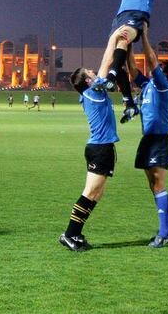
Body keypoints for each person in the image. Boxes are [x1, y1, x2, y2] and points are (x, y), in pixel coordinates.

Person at [95, 0, 159, 124]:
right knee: (117, 56)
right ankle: (128, 102)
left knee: (121, 39)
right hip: (120, 16)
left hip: (137, 17)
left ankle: (109, 78)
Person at [59, 61, 120, 251]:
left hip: (104, 148)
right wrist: (115, 39)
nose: (94, 72)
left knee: (97, 194)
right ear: (88, 80)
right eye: (90, 72)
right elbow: (106, 62)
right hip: (99, 149)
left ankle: (75, 233)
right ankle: (69, 234)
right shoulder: (92, 92)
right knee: (90, 192)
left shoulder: (96, 91)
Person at [126, 29, 168, 247]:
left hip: (160, 140)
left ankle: (164, 232)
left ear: (166, 74)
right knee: (152, 184)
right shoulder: (147, 85)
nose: (155, 69)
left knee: (158, 184)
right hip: (148, 140)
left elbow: (151, 59)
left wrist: (144, 35)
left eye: (160, 69)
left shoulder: (163, 85)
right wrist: (127, 43)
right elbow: (131, 69)